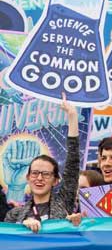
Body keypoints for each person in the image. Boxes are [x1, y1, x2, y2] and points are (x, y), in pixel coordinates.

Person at [4, 93, 80, 233]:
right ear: (27, 177)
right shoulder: (14, 214)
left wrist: (72, 116)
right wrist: (22, 224)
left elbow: (73, 162)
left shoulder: (64, 202)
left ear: (56, 180)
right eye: (35, 173)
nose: (39, 178)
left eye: (45, 174)